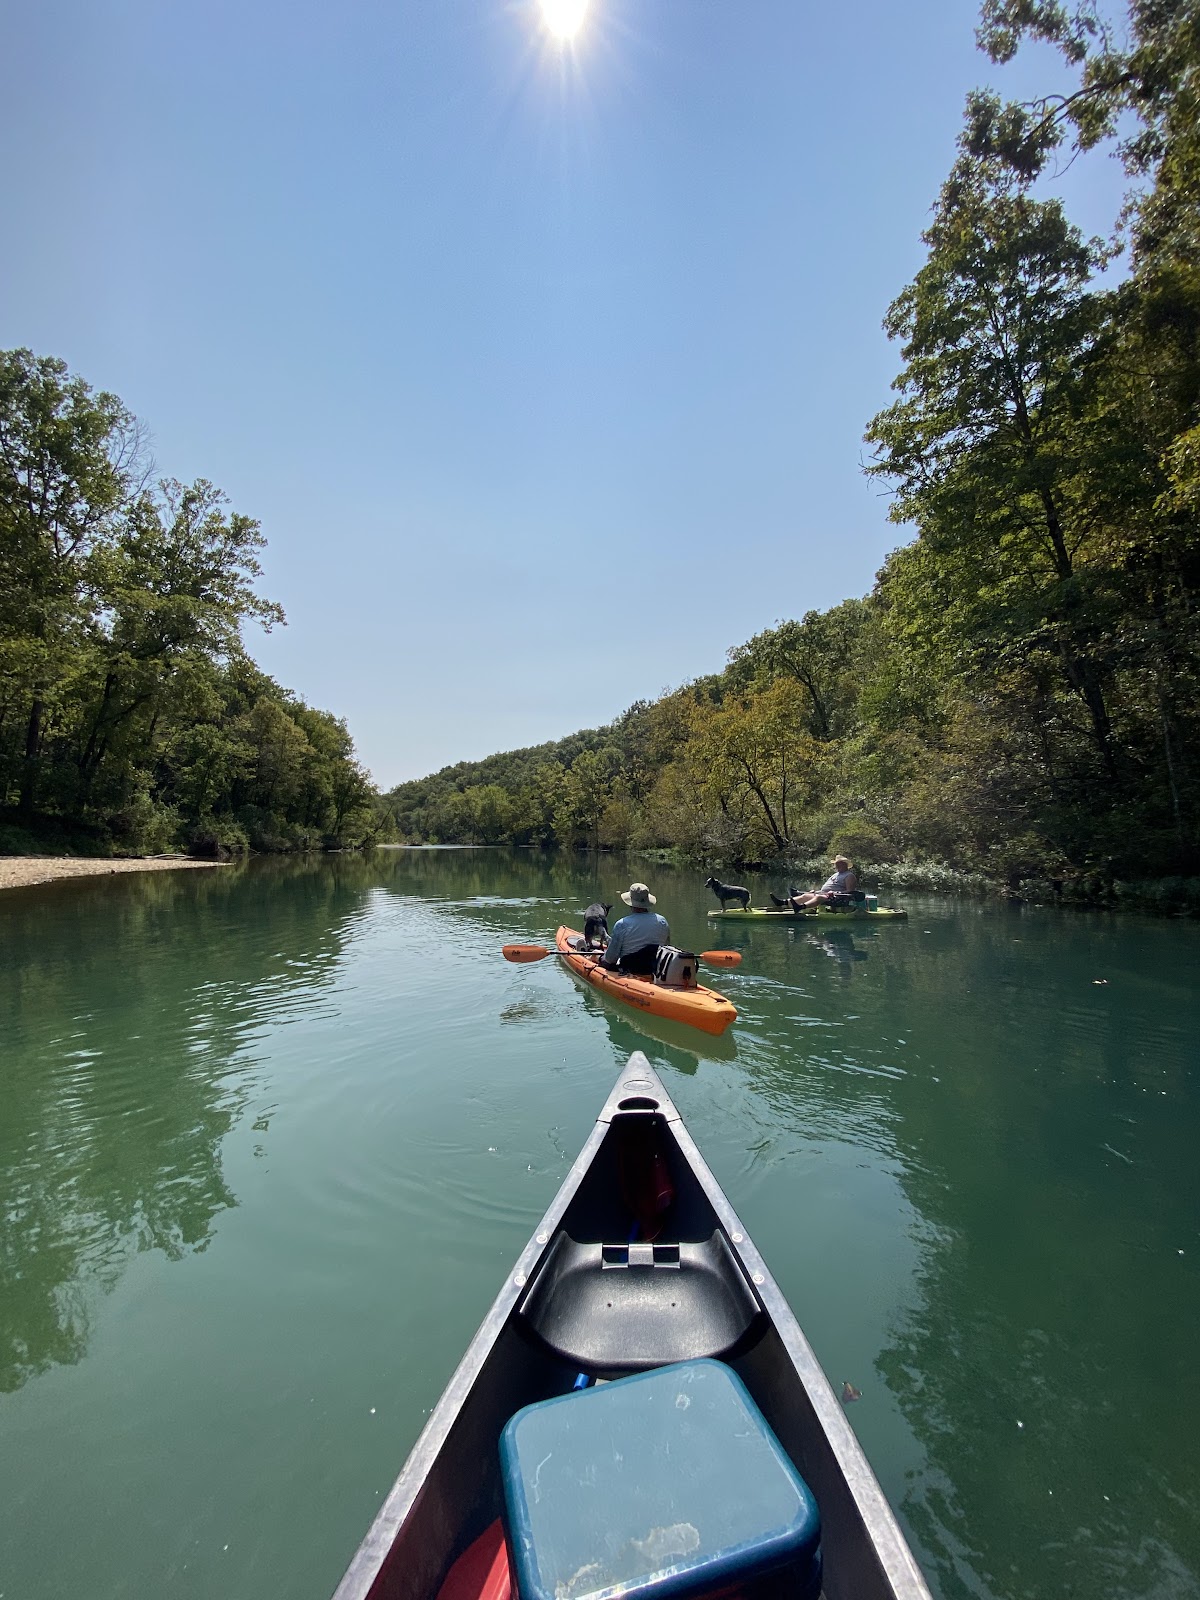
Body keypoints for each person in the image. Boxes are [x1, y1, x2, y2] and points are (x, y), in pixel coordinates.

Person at [601, 882, 670, 975]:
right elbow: (666, 948)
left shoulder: (622, 924)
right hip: (655, 968)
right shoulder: (662, 921)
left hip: (630, 968)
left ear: (630, 903)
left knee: (599, 957)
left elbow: (610, 959)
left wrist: (601, 956)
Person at [790, 855, 859, 911]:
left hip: (838, 898)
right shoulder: (835, 874)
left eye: (839, 864)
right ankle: (783, 903)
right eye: (836, 864)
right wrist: (816, 892)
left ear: (845, 865)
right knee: (806, 895)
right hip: (826, 895)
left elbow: (850, 891)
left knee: (819, 897)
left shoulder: (849, 875)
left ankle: (800, 907)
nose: (837, 866)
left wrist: (836, 893)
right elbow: (826, 889)